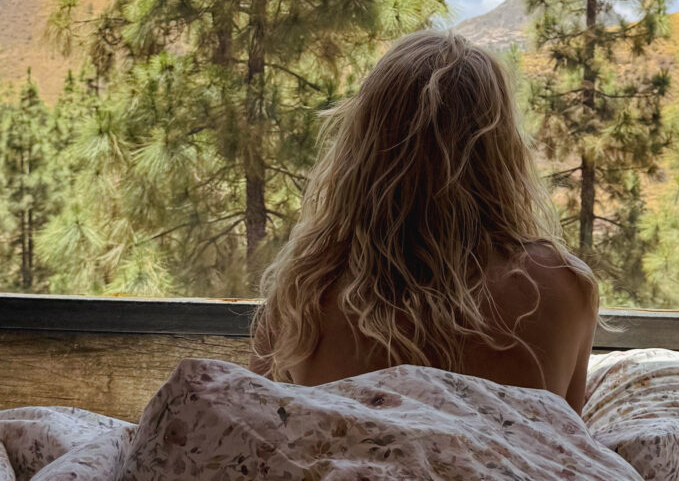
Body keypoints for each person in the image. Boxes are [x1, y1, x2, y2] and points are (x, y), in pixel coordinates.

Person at [250, 30, 599, 414]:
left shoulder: (304, 290)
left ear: (363, 145)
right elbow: (568, 448)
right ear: (503, 152)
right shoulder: (563, 286)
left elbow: (260, 436)